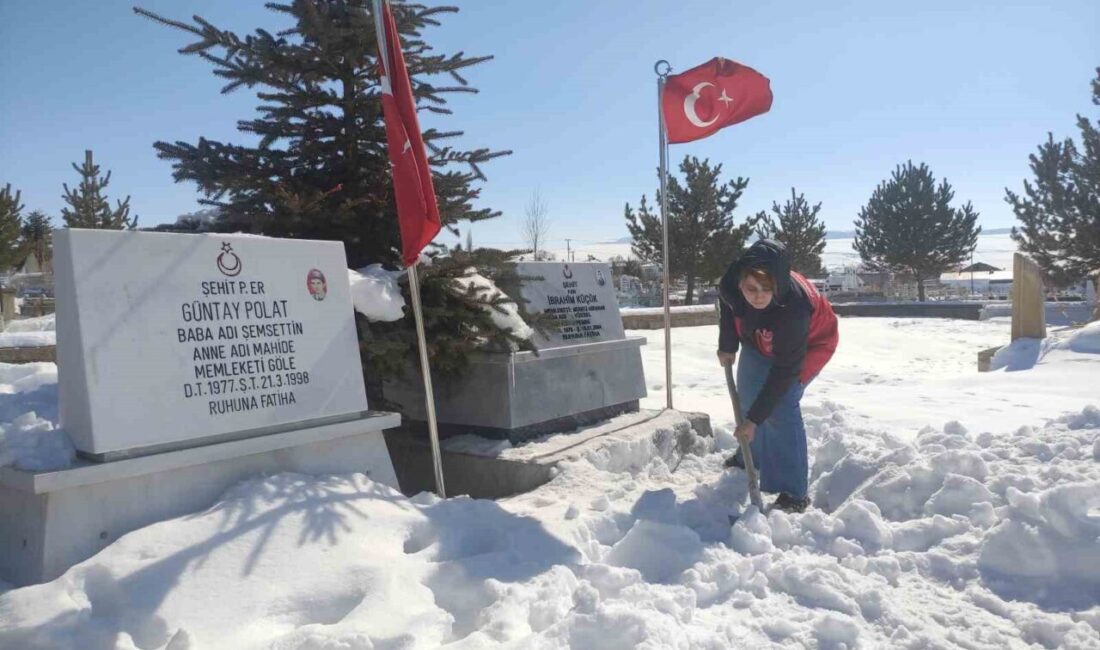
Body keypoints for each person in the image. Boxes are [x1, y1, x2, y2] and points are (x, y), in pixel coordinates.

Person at [717, 239, 838, 513]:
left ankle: (794, 492)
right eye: (751, 289)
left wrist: (755, 420)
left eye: (766, 288)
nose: (758, 295)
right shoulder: (732, 287)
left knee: (781, 406)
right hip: (760, 339)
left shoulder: (794, 308)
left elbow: (784, 373)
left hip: (809, 345)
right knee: (747, 393)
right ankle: (752, 455)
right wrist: (727, 344)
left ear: (778, 285)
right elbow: (728, 306)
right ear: (740, 283)